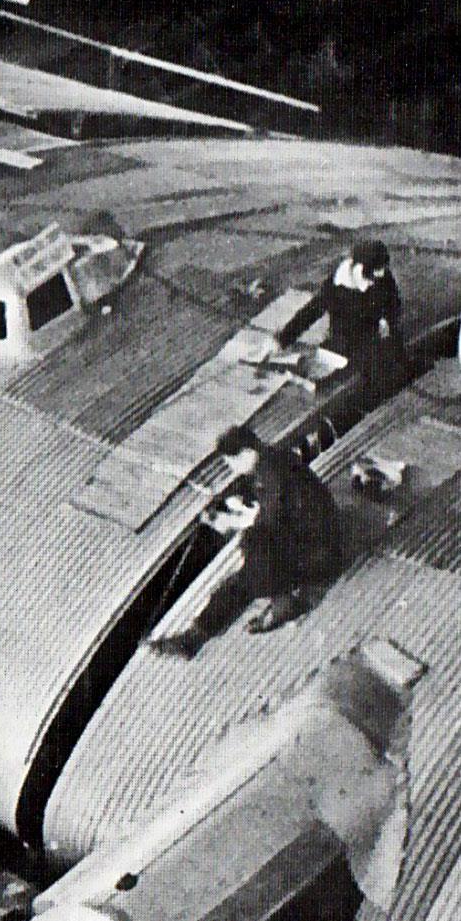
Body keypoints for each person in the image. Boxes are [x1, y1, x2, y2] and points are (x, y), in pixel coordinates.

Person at [154, 426, 342, 659]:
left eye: (232, 463)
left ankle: (282, 603)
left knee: (251, 552)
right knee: (243, 575)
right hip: (318, 539)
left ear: (247, 453)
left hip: (320, 555)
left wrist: (229, 522)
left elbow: (268, 525)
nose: (233, 470)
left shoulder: (272, 474)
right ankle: (195, 636)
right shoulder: (273, 461)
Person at [274, 239, 408, 404]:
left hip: (374, 337)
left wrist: (388, 319)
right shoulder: (336, 286)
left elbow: (394, 303)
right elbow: (311, 311)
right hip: (343, 340)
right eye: (371, 277)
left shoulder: (382, 275)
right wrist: (284, 338)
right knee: (329, 378)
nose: (375, 282)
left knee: (385, 369)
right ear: (358, 268)